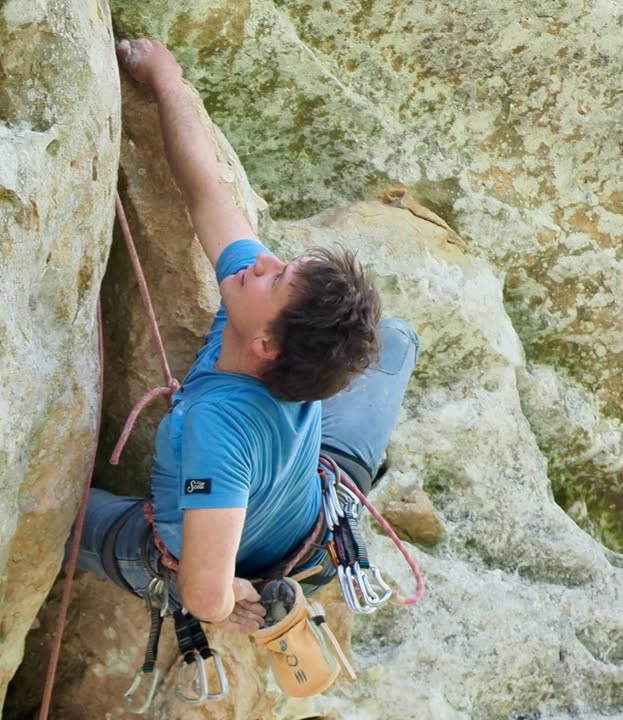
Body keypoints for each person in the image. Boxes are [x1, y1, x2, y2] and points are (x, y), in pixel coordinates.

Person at [72, 39, 421, 633]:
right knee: (394, 339)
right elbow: (205, 191)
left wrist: (229, 595)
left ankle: (259, 588)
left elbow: (204, 595)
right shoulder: (253, 317)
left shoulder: (219, 430)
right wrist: (167, 81)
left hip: (247, 560)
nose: (262, 262)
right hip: (312, 519)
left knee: (59, 521)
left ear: (266, 346)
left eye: (275, 278)